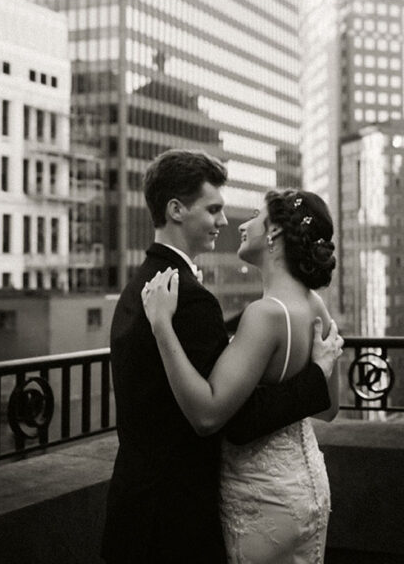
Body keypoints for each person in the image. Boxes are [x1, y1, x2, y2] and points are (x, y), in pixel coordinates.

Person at [101, 151, 342, 564]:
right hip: (179, 517)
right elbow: (229, 415)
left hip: (150, 503)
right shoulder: (195, 300)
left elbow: (231, 413)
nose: (227, 221)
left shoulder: (144, 286)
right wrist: (318, 374)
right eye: (214, 209)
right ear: (176, 210)